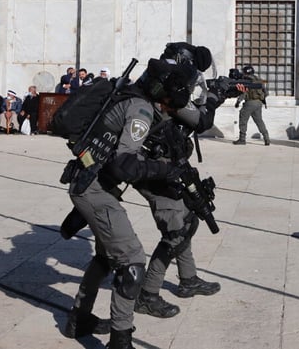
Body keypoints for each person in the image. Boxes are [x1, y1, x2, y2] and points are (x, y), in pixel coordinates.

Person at [61, 57, 198, 349]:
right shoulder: (140, 110)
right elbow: (124, 165)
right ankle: (120, 340)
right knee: (132, 260)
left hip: (91, 184)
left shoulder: (129, 97)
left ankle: (78, 320)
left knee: (105, 257)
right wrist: (166, 170)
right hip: (95, 190)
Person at [133, 43, 222, 319]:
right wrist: (214, 97)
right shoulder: (165, 89)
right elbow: (200, 120)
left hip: (162, 164)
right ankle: (148, 294)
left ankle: (188, 279)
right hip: (153, 169)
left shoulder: (156, 81)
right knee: (176, 230)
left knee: (187, 217)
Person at [232, 65, 269, 146]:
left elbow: (243, 93)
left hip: (250, 103)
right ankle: (266, 138)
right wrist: (260, 99)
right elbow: (266, 93)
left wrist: (238, 102)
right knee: (259, 121)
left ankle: (242, 139)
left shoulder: (246, 81)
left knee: (243, 120)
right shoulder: (259, 80)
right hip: (258, 103)